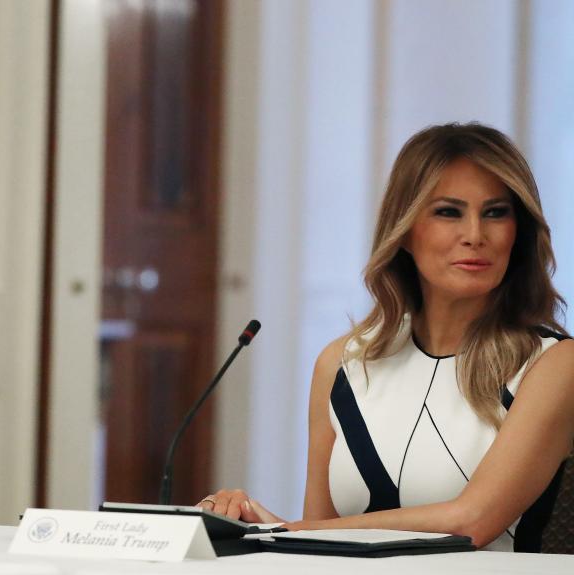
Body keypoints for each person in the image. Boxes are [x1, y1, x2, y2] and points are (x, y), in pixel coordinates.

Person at [199, 123, 574, 551]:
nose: (475, 234)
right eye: (448, 212)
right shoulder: (341, 365)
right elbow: (316, 542)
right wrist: (246, 520)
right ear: (406, 230)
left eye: (495, 212)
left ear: (519, 231)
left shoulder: (552, 363)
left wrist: (290, 530)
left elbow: (473, 521)